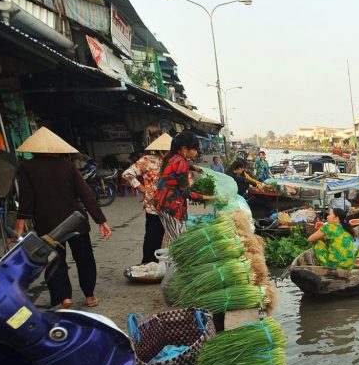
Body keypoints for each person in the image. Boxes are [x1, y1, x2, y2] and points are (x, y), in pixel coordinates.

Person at [15, 127, 111, 309]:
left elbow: (26, 200)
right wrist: (101, 220)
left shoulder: (27, 167)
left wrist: (19, 228)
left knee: (54, 260)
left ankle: (64, 298)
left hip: (47, 223)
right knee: (85, 258)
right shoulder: (67, 166)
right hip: (75, 221)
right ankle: (89, 295)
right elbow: (86, 195)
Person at [154, 131, 213, 242]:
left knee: (172, 237)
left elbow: (175, 170)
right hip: (171, 206)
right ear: (184, 149)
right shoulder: (181, 162)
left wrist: (193, 167)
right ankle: (172, 259)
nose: (196, 152)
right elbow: (186, 192)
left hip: (161, 203)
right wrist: (208, 198)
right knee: (179, 241)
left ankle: (169, 258)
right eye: (194, 149)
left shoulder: (170, 157)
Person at [122, 133, 170, 266]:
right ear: (161, 150)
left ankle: (167, 264)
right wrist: (142, 188)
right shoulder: (147, 160)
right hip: (153, 206)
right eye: (168, 151)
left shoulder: (175, 162)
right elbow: (127, 174)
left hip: (172, 207)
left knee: (171, 237)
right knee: (152, 236)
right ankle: (148, 263)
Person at [307, 205, 355, 270]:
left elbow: (310, 239)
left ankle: (324, 265)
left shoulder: (328, 227)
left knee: (318, 242)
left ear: (336, 218)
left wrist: (322, 236)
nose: (327, 217)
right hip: (349, 266)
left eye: (329, 215)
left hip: (334, 266)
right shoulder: (345, 229)